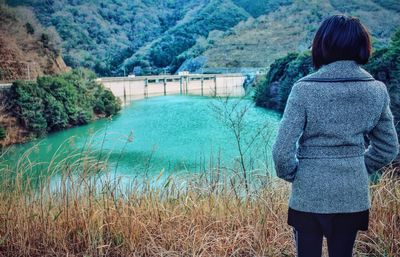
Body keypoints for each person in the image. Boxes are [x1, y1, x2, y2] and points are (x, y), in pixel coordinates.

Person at [272, 14, 399, 257]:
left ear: (322, 46)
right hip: (352, 194)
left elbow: (281, 151)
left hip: (309, 194)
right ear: (362, 46)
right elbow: (388, 147)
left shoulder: (304, 89)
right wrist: (358, 166)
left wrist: (296, 175)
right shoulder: (376, 90)